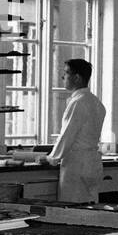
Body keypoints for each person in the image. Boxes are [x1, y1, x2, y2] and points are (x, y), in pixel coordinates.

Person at [46, 58, 106, 203]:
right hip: (92, 163)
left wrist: (52, 158)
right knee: (90, 206)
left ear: (77, 77)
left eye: (66, 73)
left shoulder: (78, 102)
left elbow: (67, 135)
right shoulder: (96, 102)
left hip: (77, 164)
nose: (63, 77)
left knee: (73, 209)